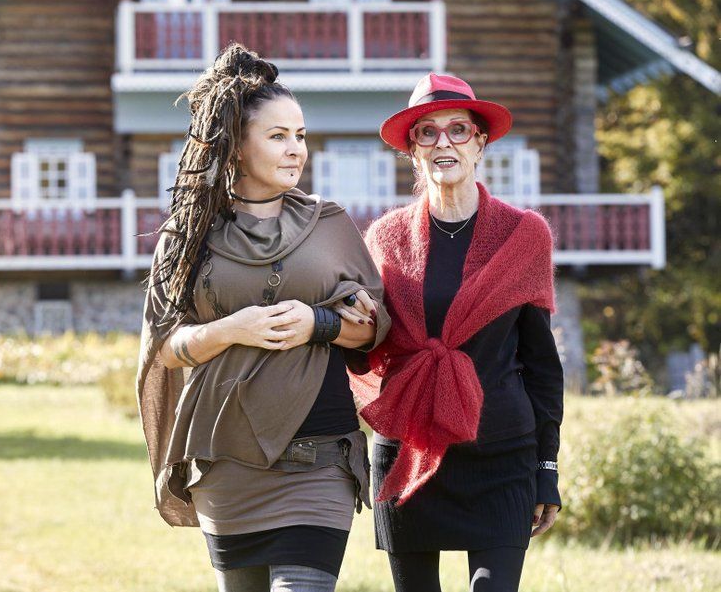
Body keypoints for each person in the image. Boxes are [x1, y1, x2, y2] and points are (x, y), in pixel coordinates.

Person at [136, 44, 391, 592]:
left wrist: (318, 324)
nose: (296, 148)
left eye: (300, 134)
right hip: (227, 461)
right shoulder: (188, 237)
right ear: (236, 144)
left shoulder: (330, 224)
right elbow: (165, 346)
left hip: (320, 460)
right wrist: (233, 328)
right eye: (278, 136)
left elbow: (375, 329)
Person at [348, 72, 564, 592]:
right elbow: (367, 348)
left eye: (458, 129)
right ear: (413, 151)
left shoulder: (523, 236)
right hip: (409, 451)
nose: (443, 142)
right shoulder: (385, 239)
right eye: (428, 132)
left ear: (479, 143)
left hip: (501, 455)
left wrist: (547, 468)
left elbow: (542, 366)